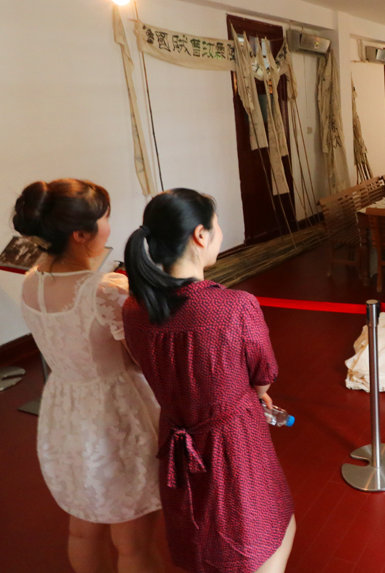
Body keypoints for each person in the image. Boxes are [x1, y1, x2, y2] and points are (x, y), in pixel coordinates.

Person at [122, 188, 295, 573]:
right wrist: (260, 393)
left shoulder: (134, 308)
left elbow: (140, 361)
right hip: (233, 440)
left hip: (175, 436)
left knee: (198, 535)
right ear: (200, 235)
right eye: (216, 227)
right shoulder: (235, 306)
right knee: (263, 534)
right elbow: (264, 373)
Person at [13, 179, 163, 573]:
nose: (109, 227)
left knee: (82, 530)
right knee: (133, 543)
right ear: (80, 234)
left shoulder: (31, 280)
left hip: (65, 411)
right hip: (116, 414)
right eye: (105, 219)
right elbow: (141, 358)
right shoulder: (105, 289)